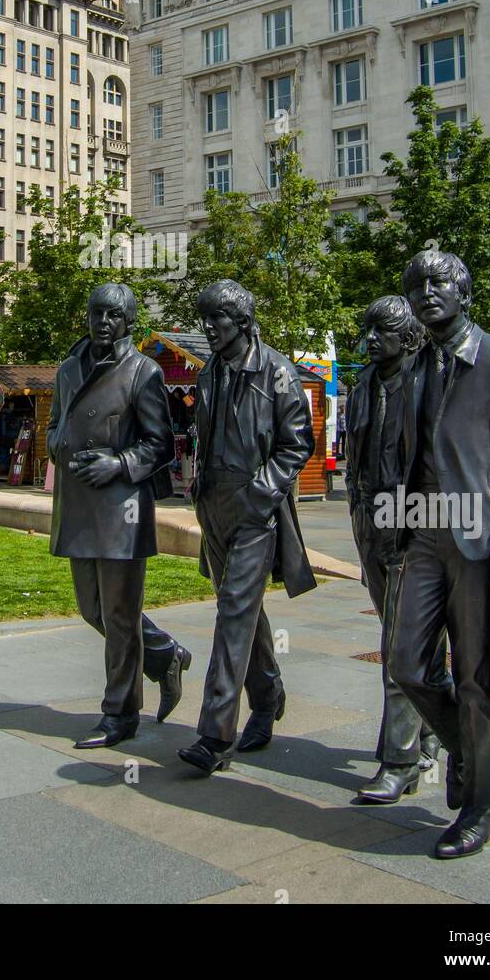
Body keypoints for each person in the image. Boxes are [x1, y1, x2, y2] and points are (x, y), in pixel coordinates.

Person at [390, 249, 490, 860]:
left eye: (440, 282)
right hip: (422, 531)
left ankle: (481, 803)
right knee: (405, 662)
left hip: (479, 538)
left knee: (478, 679)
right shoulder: (417, 364)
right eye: (417, 284)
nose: (427, 292)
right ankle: (463, 746)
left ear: (464, 293)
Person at [178, 279, 316, 776]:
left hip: (254, 506)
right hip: (213, 502)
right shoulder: (209, 372)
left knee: (234, 610)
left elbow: (299, 442)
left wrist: (262, 491)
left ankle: (215, 733)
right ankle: (267, 692)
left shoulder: (276, 371)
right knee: (238, 606)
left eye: (218, 318)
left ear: (243, 320)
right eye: (205, 319)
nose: (210, 327)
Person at [47, 282, 192, 748]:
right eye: (96, 314)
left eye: (113, 315)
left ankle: (120, 713)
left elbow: (160, 443)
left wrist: (120, 463)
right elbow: (55, 423)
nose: (103, 323)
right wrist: (56, 444)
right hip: (77, 505)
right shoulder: (69, 369)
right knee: (94, 610)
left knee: (120, 616)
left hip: (121, 509)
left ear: (129, 321)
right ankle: (166, 654)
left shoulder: (142, 372)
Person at [345, 296, 446, 804]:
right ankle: (431, 733)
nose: (368, 339)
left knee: (400, 647)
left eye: (379, 331)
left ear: (408, 339)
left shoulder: (432, 381)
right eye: (368, 329)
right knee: (408, 640)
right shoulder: (363, 384)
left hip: (415, 524)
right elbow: (356, 455)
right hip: (372, 523)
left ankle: (399, 760)